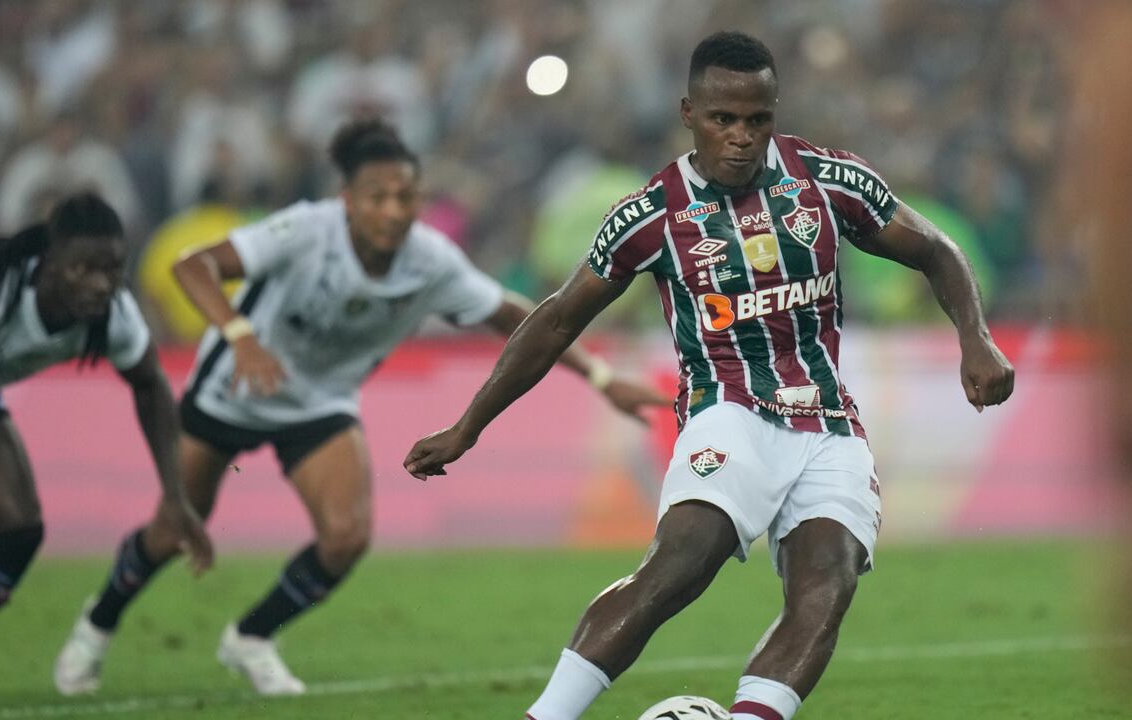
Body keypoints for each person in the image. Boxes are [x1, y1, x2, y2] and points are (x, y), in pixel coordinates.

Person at [403, 32, 1015, 720]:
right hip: (726, 410)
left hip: (828, 422)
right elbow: (553, 320)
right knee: (680, 567)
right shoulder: (652, 213)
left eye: (758, 119)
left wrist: (976, 339)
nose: (741, 137)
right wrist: (468, 427)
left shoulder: (828, 179)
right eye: (724, 119)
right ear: (689, 112)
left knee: (828, 581)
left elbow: (935, 248)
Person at [54, 118, 666, 697]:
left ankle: (250, 637)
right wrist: (240, 338)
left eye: (405, 197)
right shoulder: (304, 230)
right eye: (378, 197)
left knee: (345, 538)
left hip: (318, 403)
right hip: (232, 390)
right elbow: (192, 267)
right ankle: (96, 626)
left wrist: (601, 374)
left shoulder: (430, 259)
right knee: (174, 529)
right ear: (348, 199)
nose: (394, 210)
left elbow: (515, 315)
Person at [0, 193, 212, 625]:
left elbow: (150, 388)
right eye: (82, 268)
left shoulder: (115, 319)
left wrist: (173, 494)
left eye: (111, 270)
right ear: (49, 261)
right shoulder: (1, 288)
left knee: (19, 531)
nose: (99, 284)